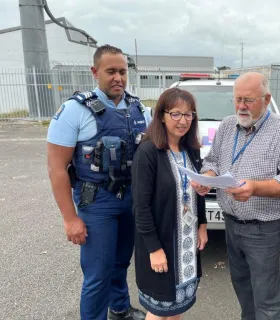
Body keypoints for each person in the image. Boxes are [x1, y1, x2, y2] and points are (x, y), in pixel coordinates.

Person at [47, 44, 151, 320]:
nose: (118, 77)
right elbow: (57, 168)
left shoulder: (138, 109)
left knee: (120, 263)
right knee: (97, 273)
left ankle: (119, 308)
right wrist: (70, 219)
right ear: (95, 72)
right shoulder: (74, 110)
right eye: (111, 71)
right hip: (97, 203)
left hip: (130, 199)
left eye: (123, 71)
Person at [192, 72, 280, 320]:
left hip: (265, 228)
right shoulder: (226, 126)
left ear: (267, 99)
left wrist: (254, 187)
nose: (241, 106)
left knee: (268, 299)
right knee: (243, 289)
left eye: (249, 100)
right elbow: (212, 161)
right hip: (232, 223)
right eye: (237, 99)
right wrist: (207, 178)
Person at [131, 87, 208, 320]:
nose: (183, 121)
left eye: (188, 114)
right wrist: (154, 250)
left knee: (177, 309)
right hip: (161, 244)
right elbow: (140, 207)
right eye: (175, 114)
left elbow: (198, 190)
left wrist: (202, 225)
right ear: (161, 116)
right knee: (158, 311)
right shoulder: (148, 152)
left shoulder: (191, 150)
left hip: (185, 244)